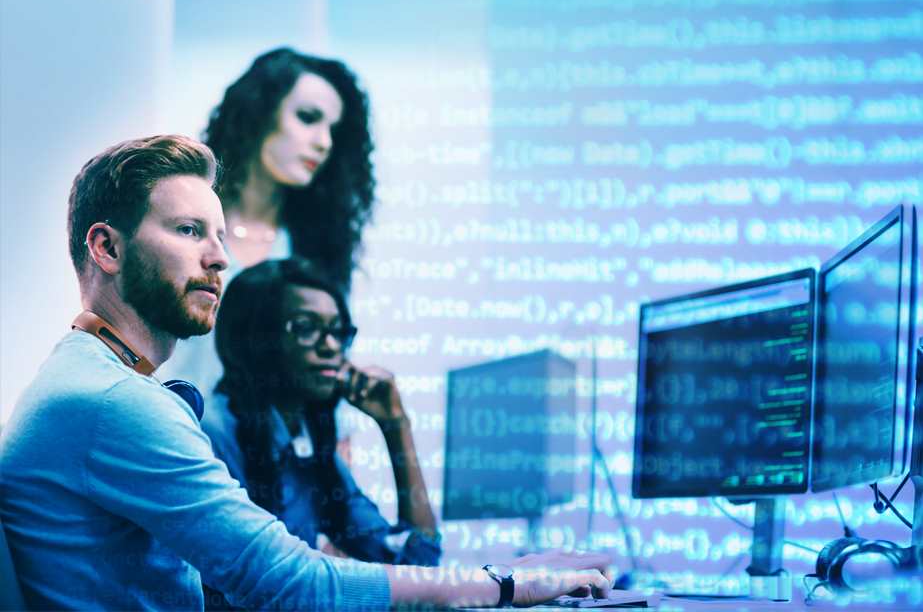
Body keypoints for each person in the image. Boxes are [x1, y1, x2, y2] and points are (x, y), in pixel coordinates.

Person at [0, 134, 614, 610]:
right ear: (106, 248)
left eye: (219, 235)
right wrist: (505, 583)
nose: (219, 257)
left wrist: (493, 579)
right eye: (188, 231)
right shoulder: (113, 401)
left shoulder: (95, 381)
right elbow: (289, 587)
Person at [161, 46, 374, 457]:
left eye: (334, 129)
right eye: (308, 118)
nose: (324, 142)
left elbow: (326, 384)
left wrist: (337, 500)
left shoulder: (315, 252)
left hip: (267, 475)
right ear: (260, 113)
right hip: (171, 457)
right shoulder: (180, 223)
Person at [200, 257, 440, 609]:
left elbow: (418, 563)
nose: (331, 346)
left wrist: (395, 426)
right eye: (307, 327)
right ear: (255, 340)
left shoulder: (309, 450)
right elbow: (271, 585)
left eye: (339, 331)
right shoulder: (211, 434)